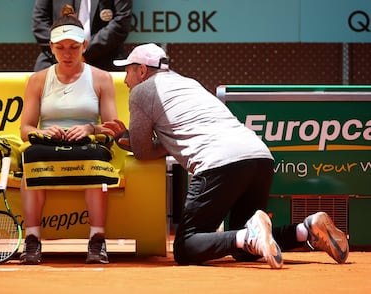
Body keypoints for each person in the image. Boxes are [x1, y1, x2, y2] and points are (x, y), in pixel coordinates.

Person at [103, 43, 349, 269]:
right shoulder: (189, 83)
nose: (125, 79)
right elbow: (175, 139)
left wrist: (122, 137)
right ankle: (307, 230)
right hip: (259, 157)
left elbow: (144, 151)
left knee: (186, 247)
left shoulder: (142, 91)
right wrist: (168, 143)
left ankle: (249, 233)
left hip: (218, 162)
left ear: (143, 71)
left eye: (128, 71)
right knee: (246, 248)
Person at [19, 5, 117, 265]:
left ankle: (97, 240)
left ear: (84, 45)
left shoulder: (102, 78)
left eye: (73, 47)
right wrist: (41, 132)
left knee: (97, 159)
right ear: (51, 47)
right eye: (60, 47)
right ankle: (32, 240)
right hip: (48, 145)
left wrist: (89, 129)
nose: (67, 53)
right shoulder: (37, 80)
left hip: (87, 144)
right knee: (31, 156)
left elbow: (111, 127)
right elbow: (25, 130)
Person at [32, 0, 132, 72]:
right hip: (56, 58)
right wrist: (64, 50)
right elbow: (39, 22)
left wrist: (82, 52)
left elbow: (121, 23)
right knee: (39, 78)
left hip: (103, 57)